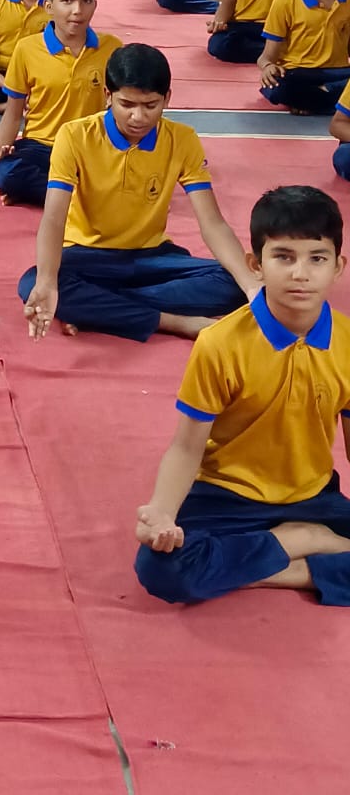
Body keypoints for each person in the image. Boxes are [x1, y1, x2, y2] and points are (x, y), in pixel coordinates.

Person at [135, 184, 350, 608]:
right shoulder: (219, 344)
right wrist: (161, 512)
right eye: (283, 257)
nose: (300, 273)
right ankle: (304, 541)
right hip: (226, 496)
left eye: (317, 258)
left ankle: (282, 563)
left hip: (313, 498)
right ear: (255, 264)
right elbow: (186, 447)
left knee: (196, 568)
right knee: (160, 568)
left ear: (338, 266)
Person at [21, 44, 253, 341]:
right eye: (127, 104)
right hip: (88, 256)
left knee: (236, 281)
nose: (138, 117)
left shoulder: (183, 139)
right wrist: (47, 282)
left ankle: (100, 308)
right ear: (108, 95)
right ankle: (175, 322)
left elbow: (213, 223)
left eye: (150, 105)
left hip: (153, 257)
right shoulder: (74, 136)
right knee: (33, 282)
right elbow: (54, 218)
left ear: (167, 98)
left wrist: (252, 287)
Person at [0, 0, 122, 207]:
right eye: (67, 1)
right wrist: (3, 146)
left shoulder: (112, 48)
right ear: (49, 7)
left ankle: (57, 195)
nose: (77, 10)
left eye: (86, 1)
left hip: (91, 146)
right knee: (7, 174)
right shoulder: (27, 49)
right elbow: (14, 111)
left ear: (95, 4)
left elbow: (123, 109)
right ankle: (87, 199)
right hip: (42, 146)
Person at [259, 0, 350, 115]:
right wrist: (268, 67)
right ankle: (332, 101)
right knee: (277, 88)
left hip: (337, 72)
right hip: (298, 72)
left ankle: (318, 98)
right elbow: (266, 57)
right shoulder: (284, 2)